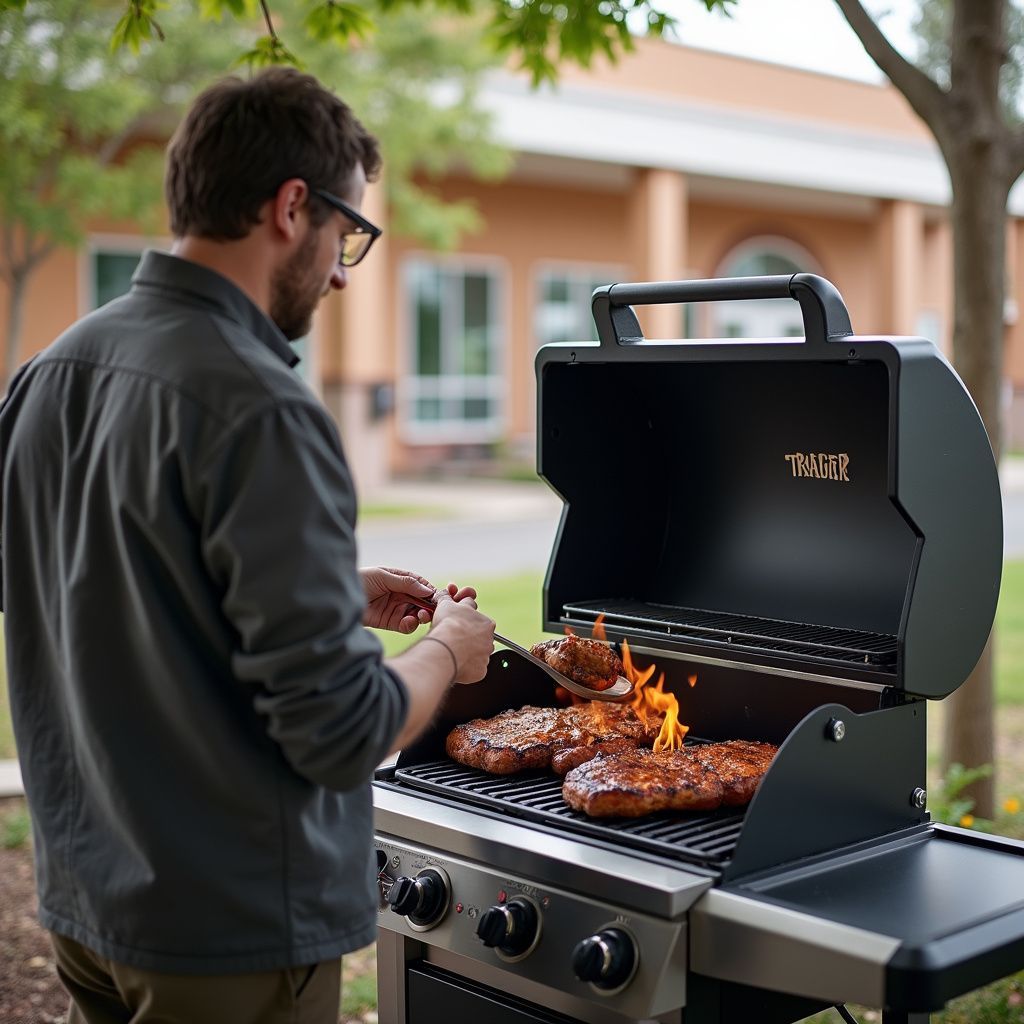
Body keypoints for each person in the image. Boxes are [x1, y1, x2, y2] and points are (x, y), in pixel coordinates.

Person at [0, 67, 496, 1024]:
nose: (345, 270)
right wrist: (448, 650)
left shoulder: (52, 370)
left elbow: (65, 572)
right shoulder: (260, 405)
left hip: (86, 902)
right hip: (224, 930)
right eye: (347, 234)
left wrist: (320, 589)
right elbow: (344, 729)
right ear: (291, 206)